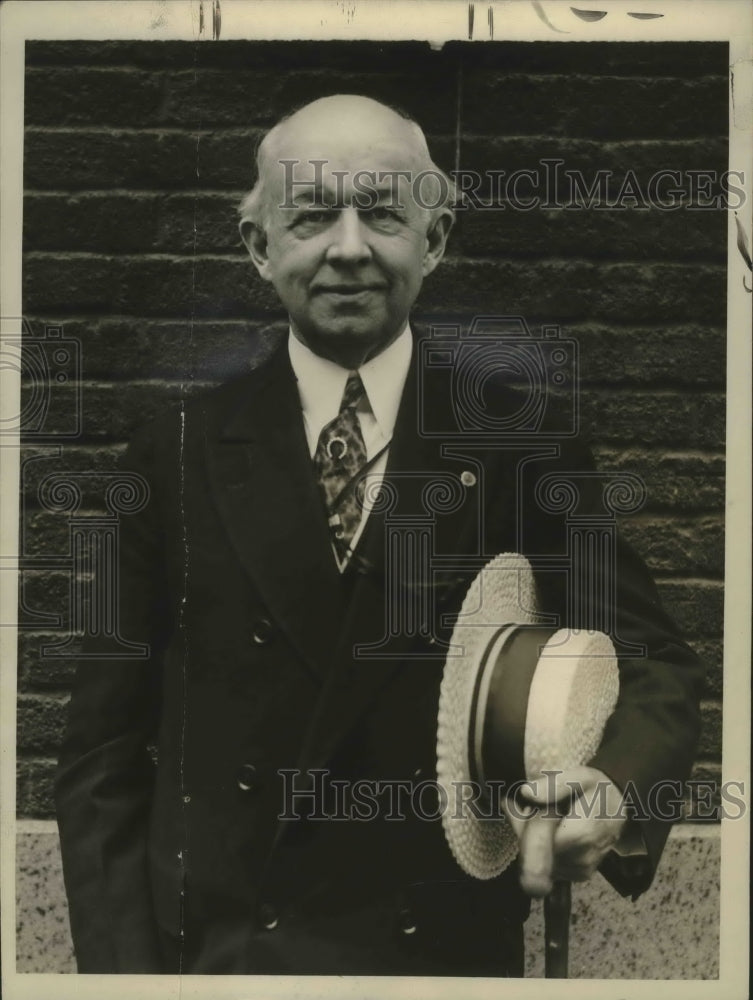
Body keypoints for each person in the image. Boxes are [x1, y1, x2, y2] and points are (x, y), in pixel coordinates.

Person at [54, 95, 703, 976]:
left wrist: (613, 792)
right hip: (227, 959)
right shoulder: (172, 448)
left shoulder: (519, 443)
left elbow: (654, 660)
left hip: (440, 955)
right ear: (261, 247)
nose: (349, 247)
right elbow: (101, 756)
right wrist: (125, 983)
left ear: (431, 242)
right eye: (314, 215)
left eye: (384, 214)